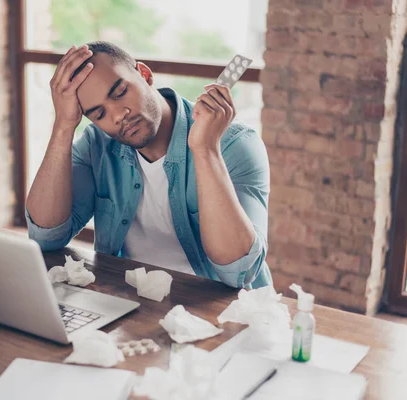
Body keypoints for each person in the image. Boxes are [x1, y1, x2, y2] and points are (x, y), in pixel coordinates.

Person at [25, 41, 272, 289]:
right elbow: (45, 237)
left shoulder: (236, 145)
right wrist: (64, 125)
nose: (117, 115)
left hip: (220, 316)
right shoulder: (96, 145)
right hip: (134, 305)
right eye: (99, 114)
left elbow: (240, 272)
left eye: (120, 92)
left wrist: (205, 150)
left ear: (144, 74)